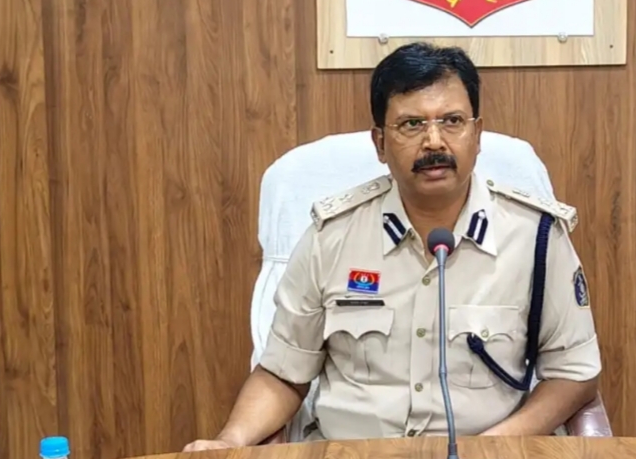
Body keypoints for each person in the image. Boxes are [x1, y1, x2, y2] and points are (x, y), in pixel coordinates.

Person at [183, 42, 602, 451]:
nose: (434, 141)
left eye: (452, 121)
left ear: (477, 135)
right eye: (411, 124)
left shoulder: (537, 236)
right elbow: (282, 374)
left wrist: (494, 445)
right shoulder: (331, 237)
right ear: (380, 143)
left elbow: (574, 373)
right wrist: (229, 441)